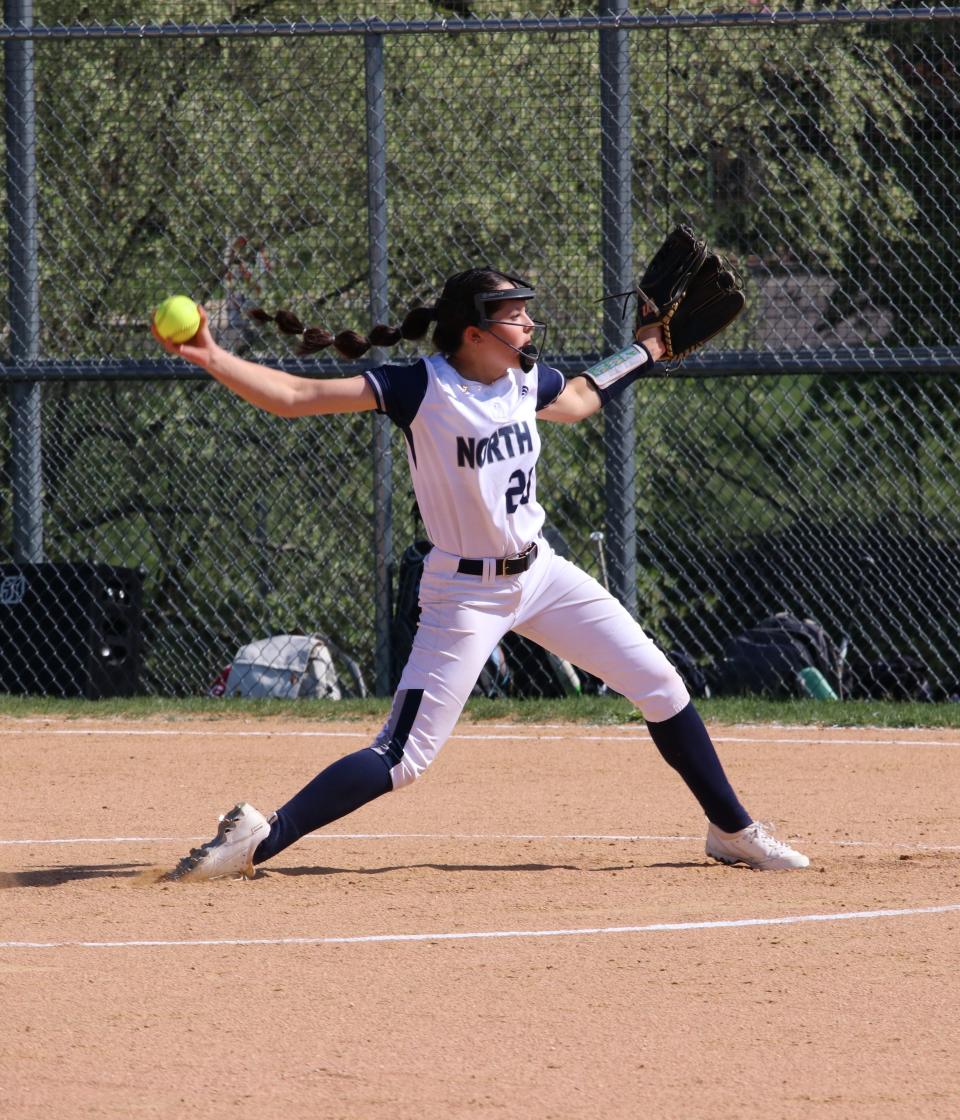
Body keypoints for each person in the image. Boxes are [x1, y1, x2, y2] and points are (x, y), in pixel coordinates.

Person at [152, 267, 810, 878]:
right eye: (515, 315)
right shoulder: (424, 388)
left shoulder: (525, 379)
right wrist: (213, 356)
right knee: (402, 758)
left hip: (541, 575)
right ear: (474, 332)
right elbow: (297, 395)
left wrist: (648, 350)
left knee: (661, 684)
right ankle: (257, 841)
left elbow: (581, 397)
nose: (527, 325)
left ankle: (731, 829)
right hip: (463, 594)